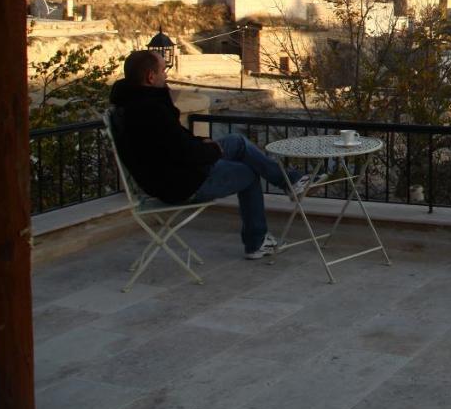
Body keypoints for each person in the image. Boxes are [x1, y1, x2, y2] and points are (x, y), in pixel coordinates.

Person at [109, 49, 313, 259]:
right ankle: (256, 241)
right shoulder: (150, 111)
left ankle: (290, 182)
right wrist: (211, 150)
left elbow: (174, 142)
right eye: (163, 70)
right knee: (249, 173)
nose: (167, 74)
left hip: (173, 172)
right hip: (180, 183)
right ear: (151, 77)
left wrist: (201, 143)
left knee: (237, 142)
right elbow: (183, 151)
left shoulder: (133, 103)